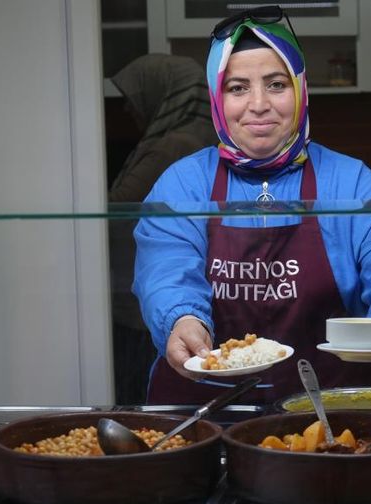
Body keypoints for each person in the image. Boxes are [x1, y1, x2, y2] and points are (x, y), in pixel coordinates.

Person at [133, 6, 371, 404]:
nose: (259, 104)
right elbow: (165, 272)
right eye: (237, 88)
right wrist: (181, 319)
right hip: (205, 413)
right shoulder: (182, 184)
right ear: (216, 98)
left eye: (276, 84)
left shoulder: (352, 181)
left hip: (333, 414)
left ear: (301, 89)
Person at [107, 54, 218, 404]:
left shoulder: (175, 147)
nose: (127, 109)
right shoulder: (189, 141)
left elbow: (119, 204)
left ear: (164, 93)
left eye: (132, 98)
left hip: (142, 299)